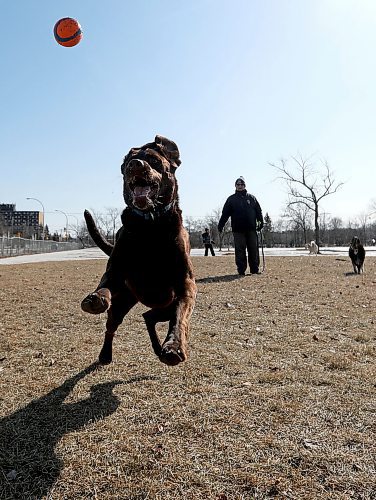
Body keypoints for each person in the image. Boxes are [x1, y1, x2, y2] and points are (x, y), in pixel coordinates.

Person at [218, 176, 263, 275]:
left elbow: (258, 211)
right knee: (240, 250)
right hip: (238, 230)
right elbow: (225, 213)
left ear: (245, 185)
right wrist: (221, 225)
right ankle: (241, 270)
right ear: (235, 186)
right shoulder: (231, 199)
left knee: (253, 249)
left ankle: (255, 269)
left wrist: (260, 222)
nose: (240, 186)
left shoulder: (252, 198)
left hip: (251, 229)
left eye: (242, 184)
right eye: (238, 184)